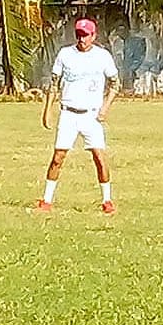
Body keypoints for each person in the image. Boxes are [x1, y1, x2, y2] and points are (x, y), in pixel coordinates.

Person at [36, 17, 121, 214]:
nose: (82, 39)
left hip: (91, 116)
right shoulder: (65, 54)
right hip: (68, 114)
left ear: (94, 36)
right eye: (79, 35)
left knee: (99, 157)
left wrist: (105, 108)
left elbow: (115, 83)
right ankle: (47, 200)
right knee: (58, 157)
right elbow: (54, 83)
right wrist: (47, 110)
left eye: (86, 35)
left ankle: (107, 200)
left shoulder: (102, 56)